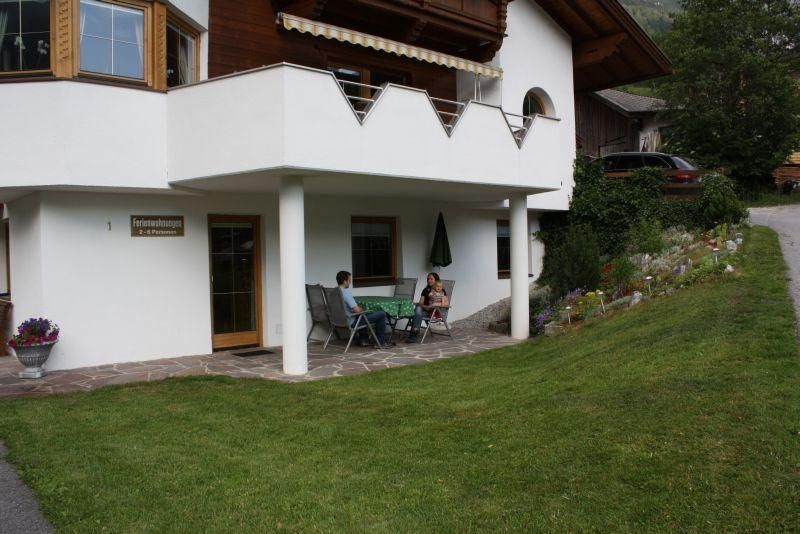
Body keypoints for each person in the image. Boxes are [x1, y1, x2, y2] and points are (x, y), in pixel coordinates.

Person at [336, 270, 392, 348]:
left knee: (362, 315)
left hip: (338, 321)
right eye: (349, 280)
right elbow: (356, 310)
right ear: (344, 281)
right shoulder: (345, 292)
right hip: (350, 322)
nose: (350, 282)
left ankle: (364, 340)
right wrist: (363, 310)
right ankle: (380, 342)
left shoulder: (334, 292)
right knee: (381, 314)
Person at [405, 272, 447, 343]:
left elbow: (445, 303)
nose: (429, 280)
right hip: (424, 311)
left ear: (436, 280)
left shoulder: (441, 291)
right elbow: (421, 302)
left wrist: (434, 304)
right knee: (418, 308)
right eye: (428, 279)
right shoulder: (425, 290)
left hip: (433, 313)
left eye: (431, 279)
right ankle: (415, 331)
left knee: (417, 312)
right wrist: (426, 307)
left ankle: (413, 334)